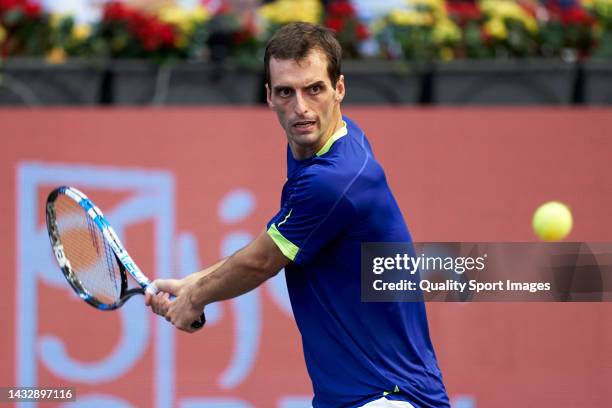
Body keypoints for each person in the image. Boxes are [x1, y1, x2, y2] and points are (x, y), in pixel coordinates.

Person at [145, 22, 449, 408]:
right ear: (269, 96)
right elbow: (271, 243)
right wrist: (192, 283)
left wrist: (196, 298)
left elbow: (261, 262)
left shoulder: (334, 180)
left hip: (387, 397)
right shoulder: (333, 139)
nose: (301, 107)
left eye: (314, 89)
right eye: (287, 92)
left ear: (339, 89)